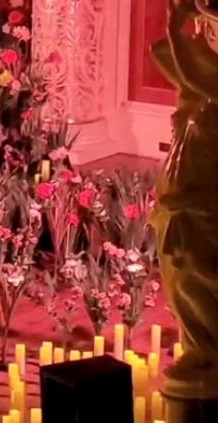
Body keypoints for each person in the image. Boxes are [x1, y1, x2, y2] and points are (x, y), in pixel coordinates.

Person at [149, 0, 218, 399]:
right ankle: (197, 347)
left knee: (198, 275)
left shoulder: (209, 84)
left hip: (206, 204)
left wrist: (177, 30)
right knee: (179, 276)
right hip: (177, 203)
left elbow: (195, 76)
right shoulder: (200, 80)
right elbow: (164, 55)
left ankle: (209, 352)